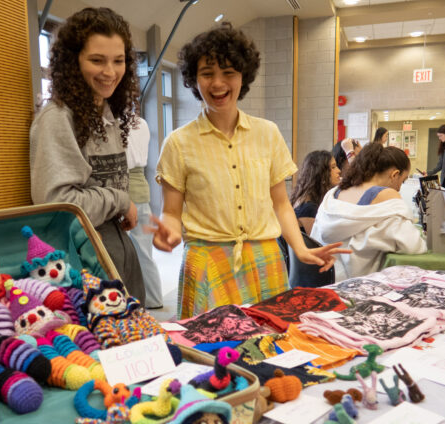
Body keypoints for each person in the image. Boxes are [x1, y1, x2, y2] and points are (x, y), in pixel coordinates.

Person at [149, 23, 347, 319]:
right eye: (207, 73)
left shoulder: (267, 133)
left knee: (269, 344)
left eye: (228, 72)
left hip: (264, 257)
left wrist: (300, 249)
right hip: (206, 261)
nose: (218, 84)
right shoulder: (178, 143)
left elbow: (280, 202)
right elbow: (172, 212)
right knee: (212, 351)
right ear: (193, 79)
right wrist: (170, 232)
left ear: (243, 75)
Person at [30, 7, 146, 304]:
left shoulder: (105, 113)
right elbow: (59, 206)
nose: (110, 72)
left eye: (118, 61)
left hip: (117, 254)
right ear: (73, 62)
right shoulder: (57, 118)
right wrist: (121, 200)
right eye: (97, 60)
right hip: (85, 267)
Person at [311, 143, 427, 281]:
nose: (399, 188)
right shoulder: (387, 195)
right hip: (356, 284)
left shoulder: (335, 192)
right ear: (395, 174)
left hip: (322, 277)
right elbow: (413, 245)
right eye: (402, 181)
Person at [285, 150, 341, 287]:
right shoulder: (308, 207)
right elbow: (318, 242)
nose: (339, 171)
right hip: (311, 275)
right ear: (321, 174)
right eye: (333, 167)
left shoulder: (305, 199)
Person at [125, 116, 164, 308]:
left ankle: (129, 300)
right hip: (142, 187)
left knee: (123, 251)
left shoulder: (114, 121)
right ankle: (154, 299)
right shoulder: (142, 123)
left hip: (124, 189)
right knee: (145, 252)